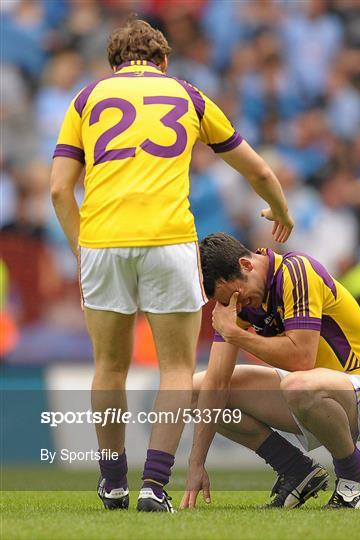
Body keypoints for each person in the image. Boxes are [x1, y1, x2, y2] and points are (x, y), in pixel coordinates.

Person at [50, 18, 293, 512]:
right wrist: (280, 210)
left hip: (103, 242)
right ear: (163, 61)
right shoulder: (189, 95)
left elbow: (58, 188)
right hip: (169, 241)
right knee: (178, 368)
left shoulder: (87, 97)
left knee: (109, 367)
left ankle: (113, 481)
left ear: (114, 64)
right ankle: (154, 486)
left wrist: (82, 247)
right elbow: (258, 169)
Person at [181, 233, 360, 510]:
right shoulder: (236, 300)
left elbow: (302, 357)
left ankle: (355, 476)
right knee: (196, 390)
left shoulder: (296, 271)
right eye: (227, 302)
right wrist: (196, 463)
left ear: (246, 265)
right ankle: (297, 471)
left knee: (298, 385)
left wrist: (235, 334)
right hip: (308, 391)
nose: (239, 306)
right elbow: (216, 382)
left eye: (239, 297)